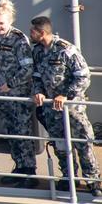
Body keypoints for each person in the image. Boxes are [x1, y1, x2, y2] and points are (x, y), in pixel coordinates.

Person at [30, 16, 101, 196]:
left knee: (82, 142)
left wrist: (66, 95)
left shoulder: (66, 50)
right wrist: (39, 92)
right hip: (51, 109)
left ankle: (93, 181)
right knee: (60, 144)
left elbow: (83, 76)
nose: (30, 34)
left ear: (42, 33)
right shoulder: (38, 51)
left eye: (33, 31)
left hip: (72, 108)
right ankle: (68, 177)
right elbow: (37, 75)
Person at [0, 0, 37, 188]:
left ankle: (29, 171)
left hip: (18, 94)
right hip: (1, 94)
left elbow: (27, 69)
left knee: (22, 132)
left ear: (10, 22)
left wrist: (11, 85)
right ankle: (19, 168)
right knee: (10, 132)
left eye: (1, 23)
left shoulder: (19, 39)